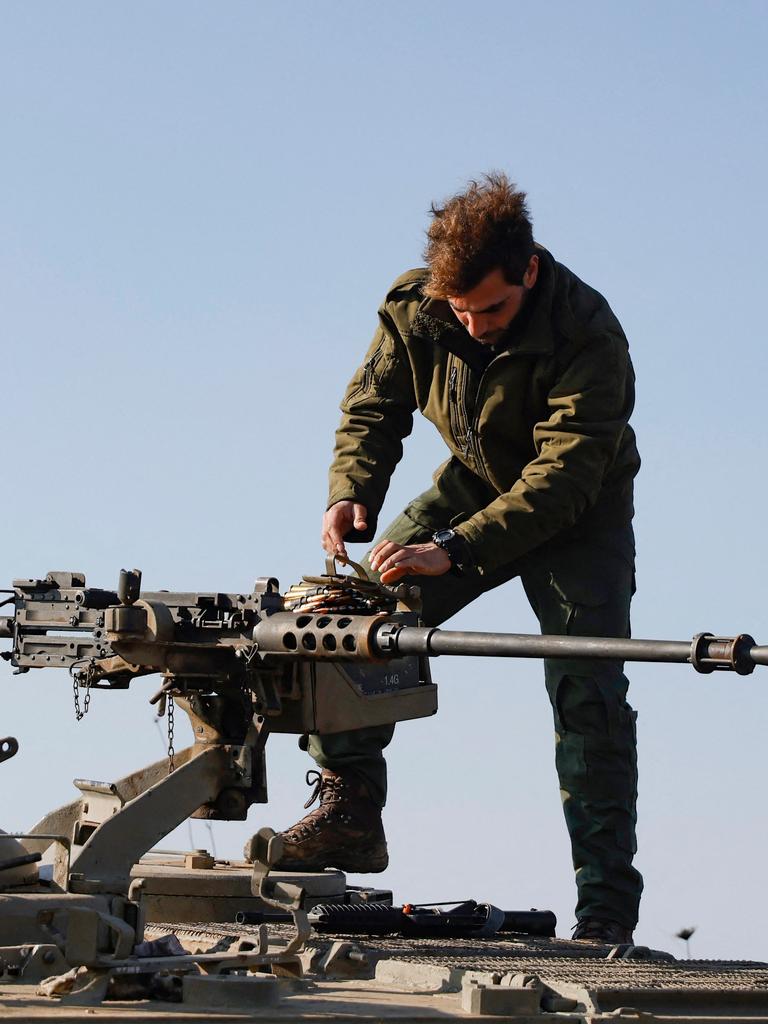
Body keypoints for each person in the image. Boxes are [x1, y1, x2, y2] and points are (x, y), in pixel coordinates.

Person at [276, 173, 642, 944]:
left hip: (577, 517)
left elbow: (564, 478)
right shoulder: (419, 306)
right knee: (346, 622)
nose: (474, 327)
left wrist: (455, 549)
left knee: (588, 692)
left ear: (529, 271)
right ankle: (352, 812)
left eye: (493, 309)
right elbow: (374, 405)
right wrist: (352, 489)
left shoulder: (590, 336)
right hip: (472, 485)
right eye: (460, 312)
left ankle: (605, 908)